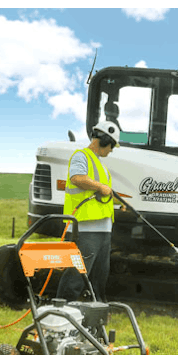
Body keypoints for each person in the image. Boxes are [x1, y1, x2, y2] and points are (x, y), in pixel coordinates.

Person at [56, 120, 121, 303]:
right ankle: (62, 310)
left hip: (102, 230)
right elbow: (77, 178)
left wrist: (116, 204)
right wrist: (101, 186)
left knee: (100, 275)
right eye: (111, 146)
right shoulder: (81, 156)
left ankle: (97, 310)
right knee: (76, 274)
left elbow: (99, 194)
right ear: (104, 140)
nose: (111, 150)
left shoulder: (100, 165)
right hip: (84, 229)